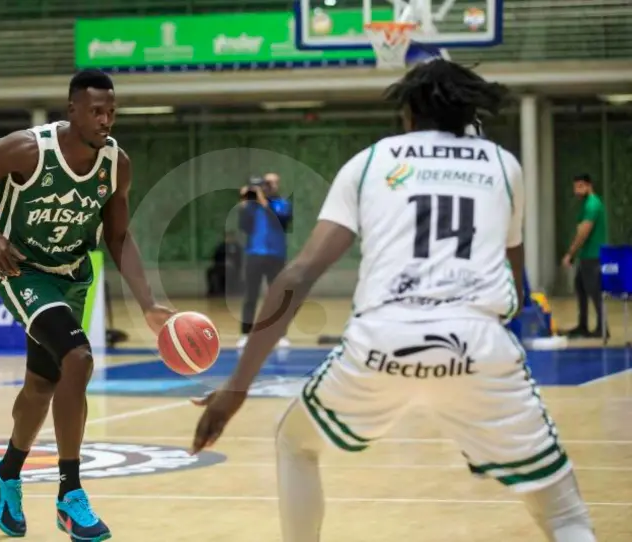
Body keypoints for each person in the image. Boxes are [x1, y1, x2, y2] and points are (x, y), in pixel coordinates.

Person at [192, 59, 596, 542]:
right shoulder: (503, 166)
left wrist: (236, 388)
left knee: (295, 443)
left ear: (408, 114)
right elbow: (512, 283)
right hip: (477, 342)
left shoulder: (369, 162)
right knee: (564, 515)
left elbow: (296, 276)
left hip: (381, 341)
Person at [0, 69, 174, 542]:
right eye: (96, 111)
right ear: (72, 110)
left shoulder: (117, 164)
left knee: (41, 384)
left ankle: (4, 474)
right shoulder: (29, 149)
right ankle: (70, 495)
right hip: (22, 271)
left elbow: (117, 236)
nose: (106, 119)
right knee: (78, 359)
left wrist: (149, 304)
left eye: (111, 111)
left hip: (72, 276)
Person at [238, 172, 293, 348]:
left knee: (277, 296)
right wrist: (244, 204)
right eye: (266, 184)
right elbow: (244, 227)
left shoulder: (282, 204)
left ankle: (279, 335)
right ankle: (246, 333)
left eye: (272, 183)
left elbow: (281, 222)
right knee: (250, 296)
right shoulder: (252, 207)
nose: (269, 187)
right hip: (254, 254)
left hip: (276, 255)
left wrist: (263, 201)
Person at [561, 174, 608, 339]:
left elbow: (583, 233)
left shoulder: (592, 205)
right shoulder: (586, 205)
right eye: (575, 187)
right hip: (586, 255)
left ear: (589, 186)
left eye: (580, 186)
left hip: (593, 255)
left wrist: (570, 254)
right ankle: (583, 325)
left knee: (594, 291)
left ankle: (603, 328)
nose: (577, 190)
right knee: (580, 288)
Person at [206, 231, 242, 297]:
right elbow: (215, 258)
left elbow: (239, 259)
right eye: (227, 237)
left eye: (231, 237)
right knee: (210, 271)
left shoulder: (236, 247)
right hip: (220, 265)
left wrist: (232, 263)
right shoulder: (221, 246)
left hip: (232, 267)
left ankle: (229, 290)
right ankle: (213, 290)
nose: (229, 238)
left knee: (229, 270)